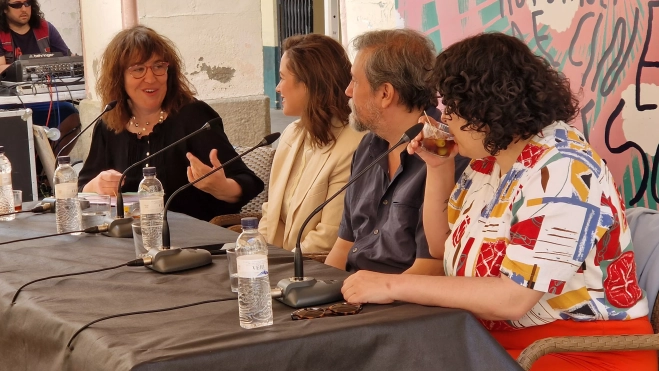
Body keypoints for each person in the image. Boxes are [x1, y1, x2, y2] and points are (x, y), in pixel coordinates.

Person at [341, 33, 656, 370]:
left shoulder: (563, 167)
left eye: (452, 107)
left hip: (576, 351)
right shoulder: (489, 162)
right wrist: (440, 166)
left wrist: (392, 284)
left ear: (485, 106)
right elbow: (439, 247)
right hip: (495, 342)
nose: (444, 119)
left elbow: (512, 299)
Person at [78, 26, 264, 222]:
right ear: (119, 78)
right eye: (138, 69)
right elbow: (82, 188)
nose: (150, 78)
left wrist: (223, 187)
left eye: (158, 66)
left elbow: (249, 182)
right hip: (126, 240)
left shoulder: (195, 117)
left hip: (193, 242)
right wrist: (96, 186)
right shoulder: (110, 123)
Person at [324, 29, 469, 274]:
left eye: (355, 81)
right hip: (356, 293)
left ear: (385, 94)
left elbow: (433, 265)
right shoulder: (369, 145)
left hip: (402, 302)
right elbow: (344, 245)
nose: (348, 91)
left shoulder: (444, 147)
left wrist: (369, 294)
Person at [258, 34, 364, 253]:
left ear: (309, 85)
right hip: (279, 265)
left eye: (283, 78)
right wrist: (255, 254)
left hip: (311, 272)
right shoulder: (291, 133)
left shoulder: (355, 144)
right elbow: (271, 212)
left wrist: (282, 269)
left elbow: (329, 237)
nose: (278, 88)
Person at [0, 0, 79, 158]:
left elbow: (67, 59)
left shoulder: (46, 28)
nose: (24, 8)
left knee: (71, 116)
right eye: (16, 5)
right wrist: (21, 67)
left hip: (44, 99)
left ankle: (50, 168)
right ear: (4, 10)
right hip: (10, 103)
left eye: (27, 3)